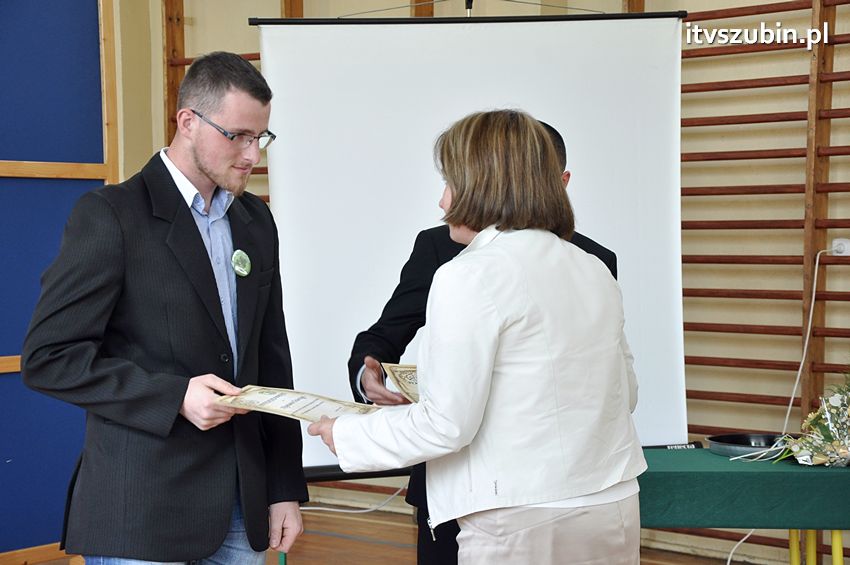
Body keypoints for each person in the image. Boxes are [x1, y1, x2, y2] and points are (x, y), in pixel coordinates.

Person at [312, 109, 646, 564]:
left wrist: (347, 434)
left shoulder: (469, 274)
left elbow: (448, 424)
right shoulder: (591, 268)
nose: (442, 200)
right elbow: (625, 393)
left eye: (450, 182)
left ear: (482, 186)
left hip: (518, 520)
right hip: (609, 506)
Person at [21, 51, 308, 563]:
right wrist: (175, 396)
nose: (251, 155)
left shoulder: (256, 223)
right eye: (237, 135)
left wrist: (285, 485)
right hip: (141, 509)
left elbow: (272, 362)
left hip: (244, 508)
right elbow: (49, 359)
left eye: (260, 137)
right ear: (187, 122)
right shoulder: (110, 216)